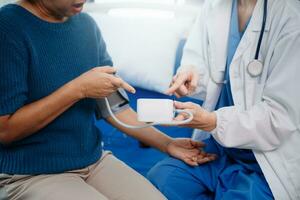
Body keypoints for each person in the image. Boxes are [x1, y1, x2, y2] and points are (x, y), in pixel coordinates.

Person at [0, 0, 217, 199]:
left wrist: (168, 143)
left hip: (92, 161)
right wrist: (78, 89)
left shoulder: (86, 26)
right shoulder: (8, 27)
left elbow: (115, 108)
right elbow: (5, 131)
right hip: (29, 173)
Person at [147, 0, 300, 199]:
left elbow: (280, 117)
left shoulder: (291, 16)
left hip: (266, 160)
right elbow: (198, 62)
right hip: (215, 148)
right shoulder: (214, 6)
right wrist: (191, 75)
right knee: (160, 181)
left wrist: (214, 122)